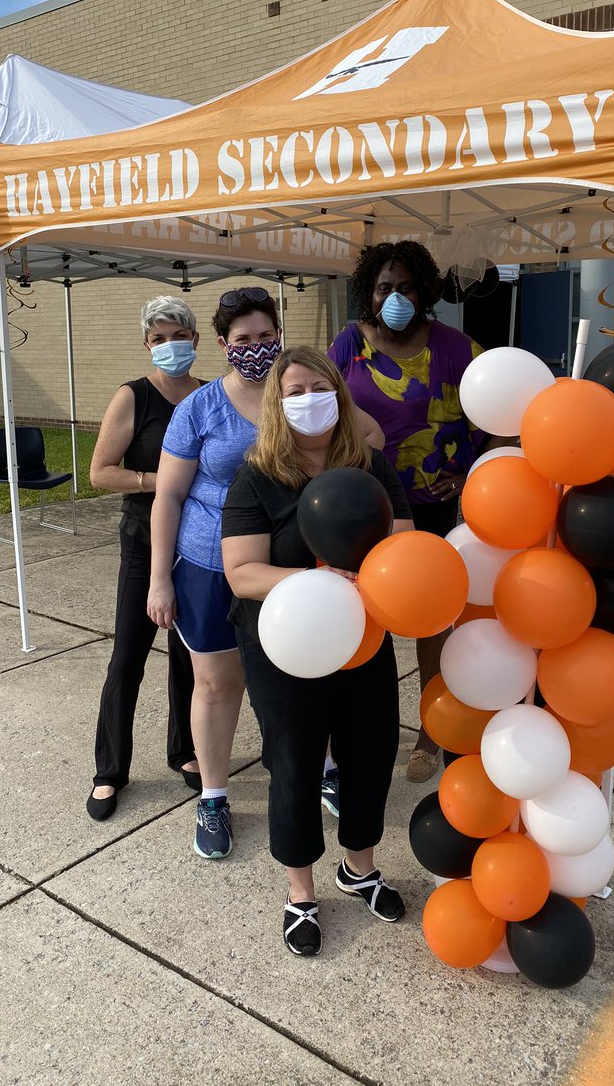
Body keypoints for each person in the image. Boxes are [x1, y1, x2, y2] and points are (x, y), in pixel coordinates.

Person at [147, 288, 384, 861]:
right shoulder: (199, 408)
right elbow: (169, 495)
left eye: (264, 336)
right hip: (212, 564)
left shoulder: (298, 392)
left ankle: (321, 770)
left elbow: (369, 437)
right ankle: (214, 795)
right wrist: (159, 578)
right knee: (219, 685)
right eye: (243, 339)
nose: (255, 347)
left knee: (310, 675)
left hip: (306, 571)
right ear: (224, 344)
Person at [221, 346, 414, 956]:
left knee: (371, 751)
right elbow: (242, 572)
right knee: (296, 762)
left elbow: (403, 546)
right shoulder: (256, 475)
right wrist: (323, 582)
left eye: (319, 386)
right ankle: (300, 893)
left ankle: (359, 867)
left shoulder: (373, 469)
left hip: (363, 640)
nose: (309, 398)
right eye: (295, 389)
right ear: (278, 404)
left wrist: (367, 583)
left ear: (341, 393)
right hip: (286, 646)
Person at [328, 240, 487, 783]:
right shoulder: (348, 344)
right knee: (364, 615)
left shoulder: (458, 348)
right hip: (364, 502)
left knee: (431, 622)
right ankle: (367, 730)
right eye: (382, 288)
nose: (393, 297)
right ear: (367, 293)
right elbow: (323, 411)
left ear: (423, 291)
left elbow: (494, 422)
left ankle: (431, 732)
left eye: (404, 287)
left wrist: (468, 475)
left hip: (432, 507)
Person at [86, 296, 202, 821]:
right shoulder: (133, 397)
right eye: (158, 338)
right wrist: (162, 481)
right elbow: (100, 471)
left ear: (196, 340)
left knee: (190, 657)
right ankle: (110, 771)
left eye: (178, 335)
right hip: (143, 541)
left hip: (196, 544)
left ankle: (187, 751)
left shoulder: (208, 396)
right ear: (146, 345)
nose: (169, 345)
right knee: (128, 658)